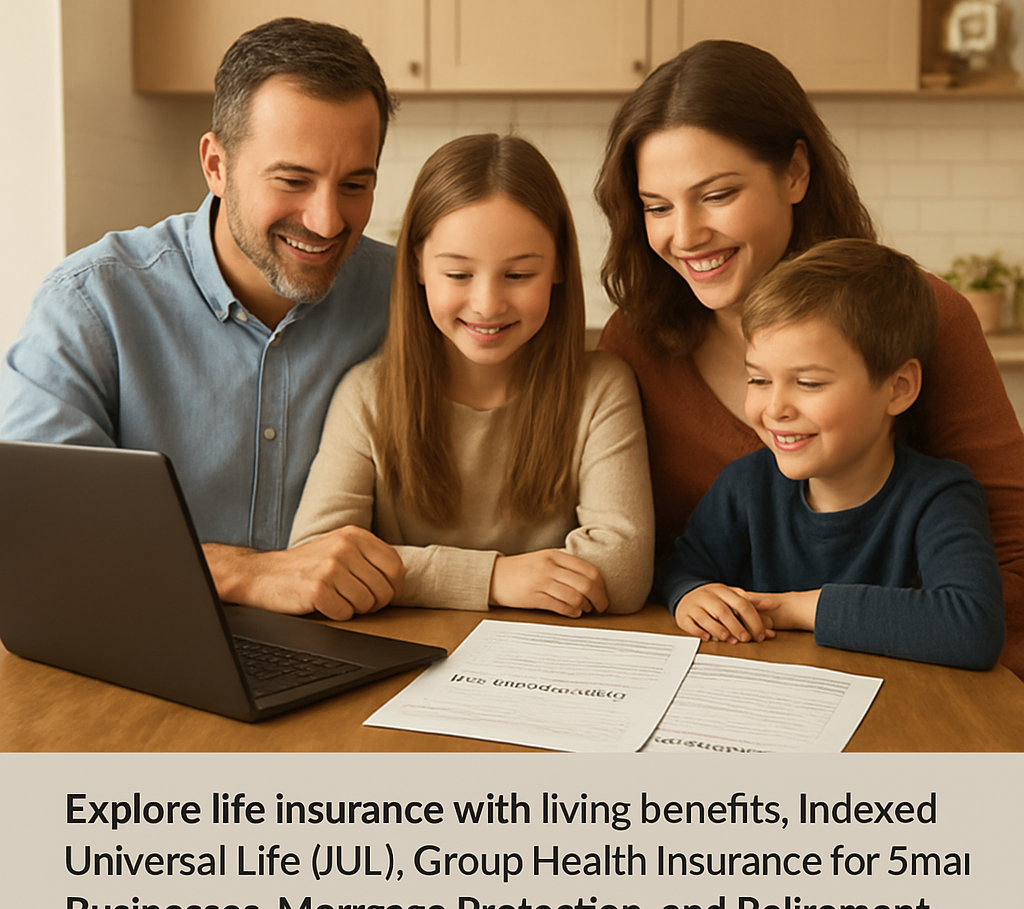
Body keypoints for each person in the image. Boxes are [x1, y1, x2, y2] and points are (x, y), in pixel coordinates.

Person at [595, 39, 1024, 676]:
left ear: (795, 172)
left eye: (717, 195)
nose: (685, 236)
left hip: (917, 681)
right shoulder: (636, 341)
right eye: (657, 207)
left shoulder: (926, 317)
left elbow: (1011, 559)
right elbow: (649, 558)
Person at [0, 17, 406, 620]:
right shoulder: (91, 303)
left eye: (354, 185)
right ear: (216, 165)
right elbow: (35, 532)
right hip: (141, 638)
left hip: (357, 640)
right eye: (293, 180)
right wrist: (244, 572)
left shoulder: (410, 300)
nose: (326, 221)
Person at [289, 134, 654, 616]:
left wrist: (407, 573)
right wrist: (496, 578)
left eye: (518, 275)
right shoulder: (366, 395)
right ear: (418, 265)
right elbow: (315, 563)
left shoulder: (601, 388)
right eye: (459, 275)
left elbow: (623, 575)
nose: (487, 305)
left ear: (559, 267)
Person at [665, 239, 1004, 670]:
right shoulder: (745, 485)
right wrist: (689, 595)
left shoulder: (940, 497)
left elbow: (971, 628)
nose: (775, 409)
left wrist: (795, 609)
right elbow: (679, 568)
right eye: (759, 380)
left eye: (809, 383)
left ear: (898, 388)